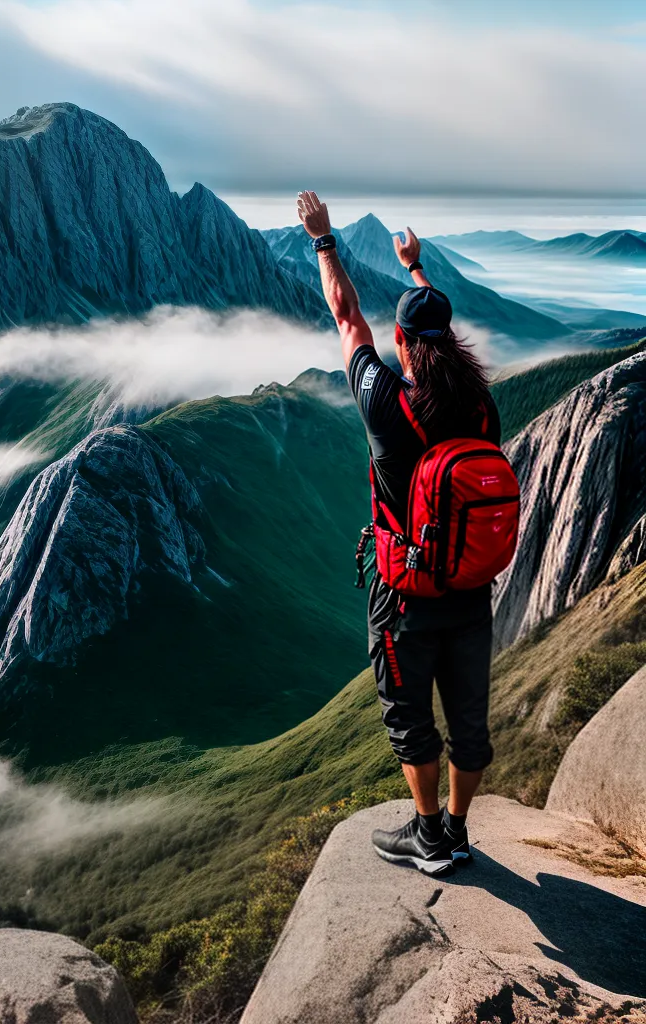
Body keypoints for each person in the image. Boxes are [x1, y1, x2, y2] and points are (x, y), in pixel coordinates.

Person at [297, 190, 501, 877]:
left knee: (408, 712)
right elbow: (437, 326)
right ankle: (461, 829)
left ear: (404, 344)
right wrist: (418, 274)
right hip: (471, 589)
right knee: (468, 719)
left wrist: (324, 241)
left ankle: (427, 836)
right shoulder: (480, 406)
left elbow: (346, 315)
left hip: (405, 594)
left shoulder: (386, 403)